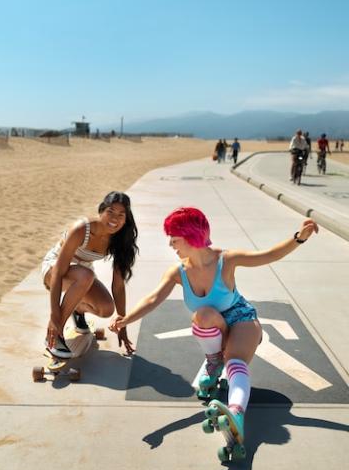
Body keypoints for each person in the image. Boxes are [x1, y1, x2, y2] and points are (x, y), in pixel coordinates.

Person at [109, 207, 318, 446]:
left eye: (174, 239)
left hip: (242, 321)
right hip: (213, 328)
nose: (170, 244)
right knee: (204, 315)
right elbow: (153, 299)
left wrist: (299, 237)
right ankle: (213, 360)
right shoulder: (178, 272)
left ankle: (236, 413)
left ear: (191, 236)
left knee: (235, 364)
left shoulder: (226, 260)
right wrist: (126, 319)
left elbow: (268, 255)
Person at [42, 191, 138, 358]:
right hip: (54, 269)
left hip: (82, 275)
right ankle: (55, 336)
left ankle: (77, 309)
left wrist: (123, 324)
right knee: (86, 275)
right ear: (101, 211)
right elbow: (58, 272)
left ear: (126, 218)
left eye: (121, 214)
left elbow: (118, 285)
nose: (115, 219)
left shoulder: (119, 239)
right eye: (110, 212)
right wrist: (54, 314)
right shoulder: (81, 229)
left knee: (106, 309)